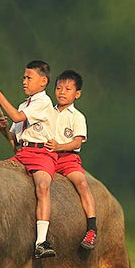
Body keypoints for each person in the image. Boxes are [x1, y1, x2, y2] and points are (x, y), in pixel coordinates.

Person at [0, 60, 58, 259]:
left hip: (42, 155)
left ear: (43, 81)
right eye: (23, 77)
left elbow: (16, 117)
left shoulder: (43, 102)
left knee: (42, 186)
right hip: (22, 153)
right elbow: (14, 139)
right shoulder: (25, 105)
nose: (24, 81)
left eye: (28, 78)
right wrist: (3, 130)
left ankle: (41, 241)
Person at [46, 70, 98, 249]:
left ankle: (92, 228)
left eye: (67, 89)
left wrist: (58, 147)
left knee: (82, 183)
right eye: (59, 88)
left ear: (77, 94)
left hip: (68, 158)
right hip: (47, 157)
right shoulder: (47, 113)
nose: (61, 92)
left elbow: (76, 142)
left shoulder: (77, 117)